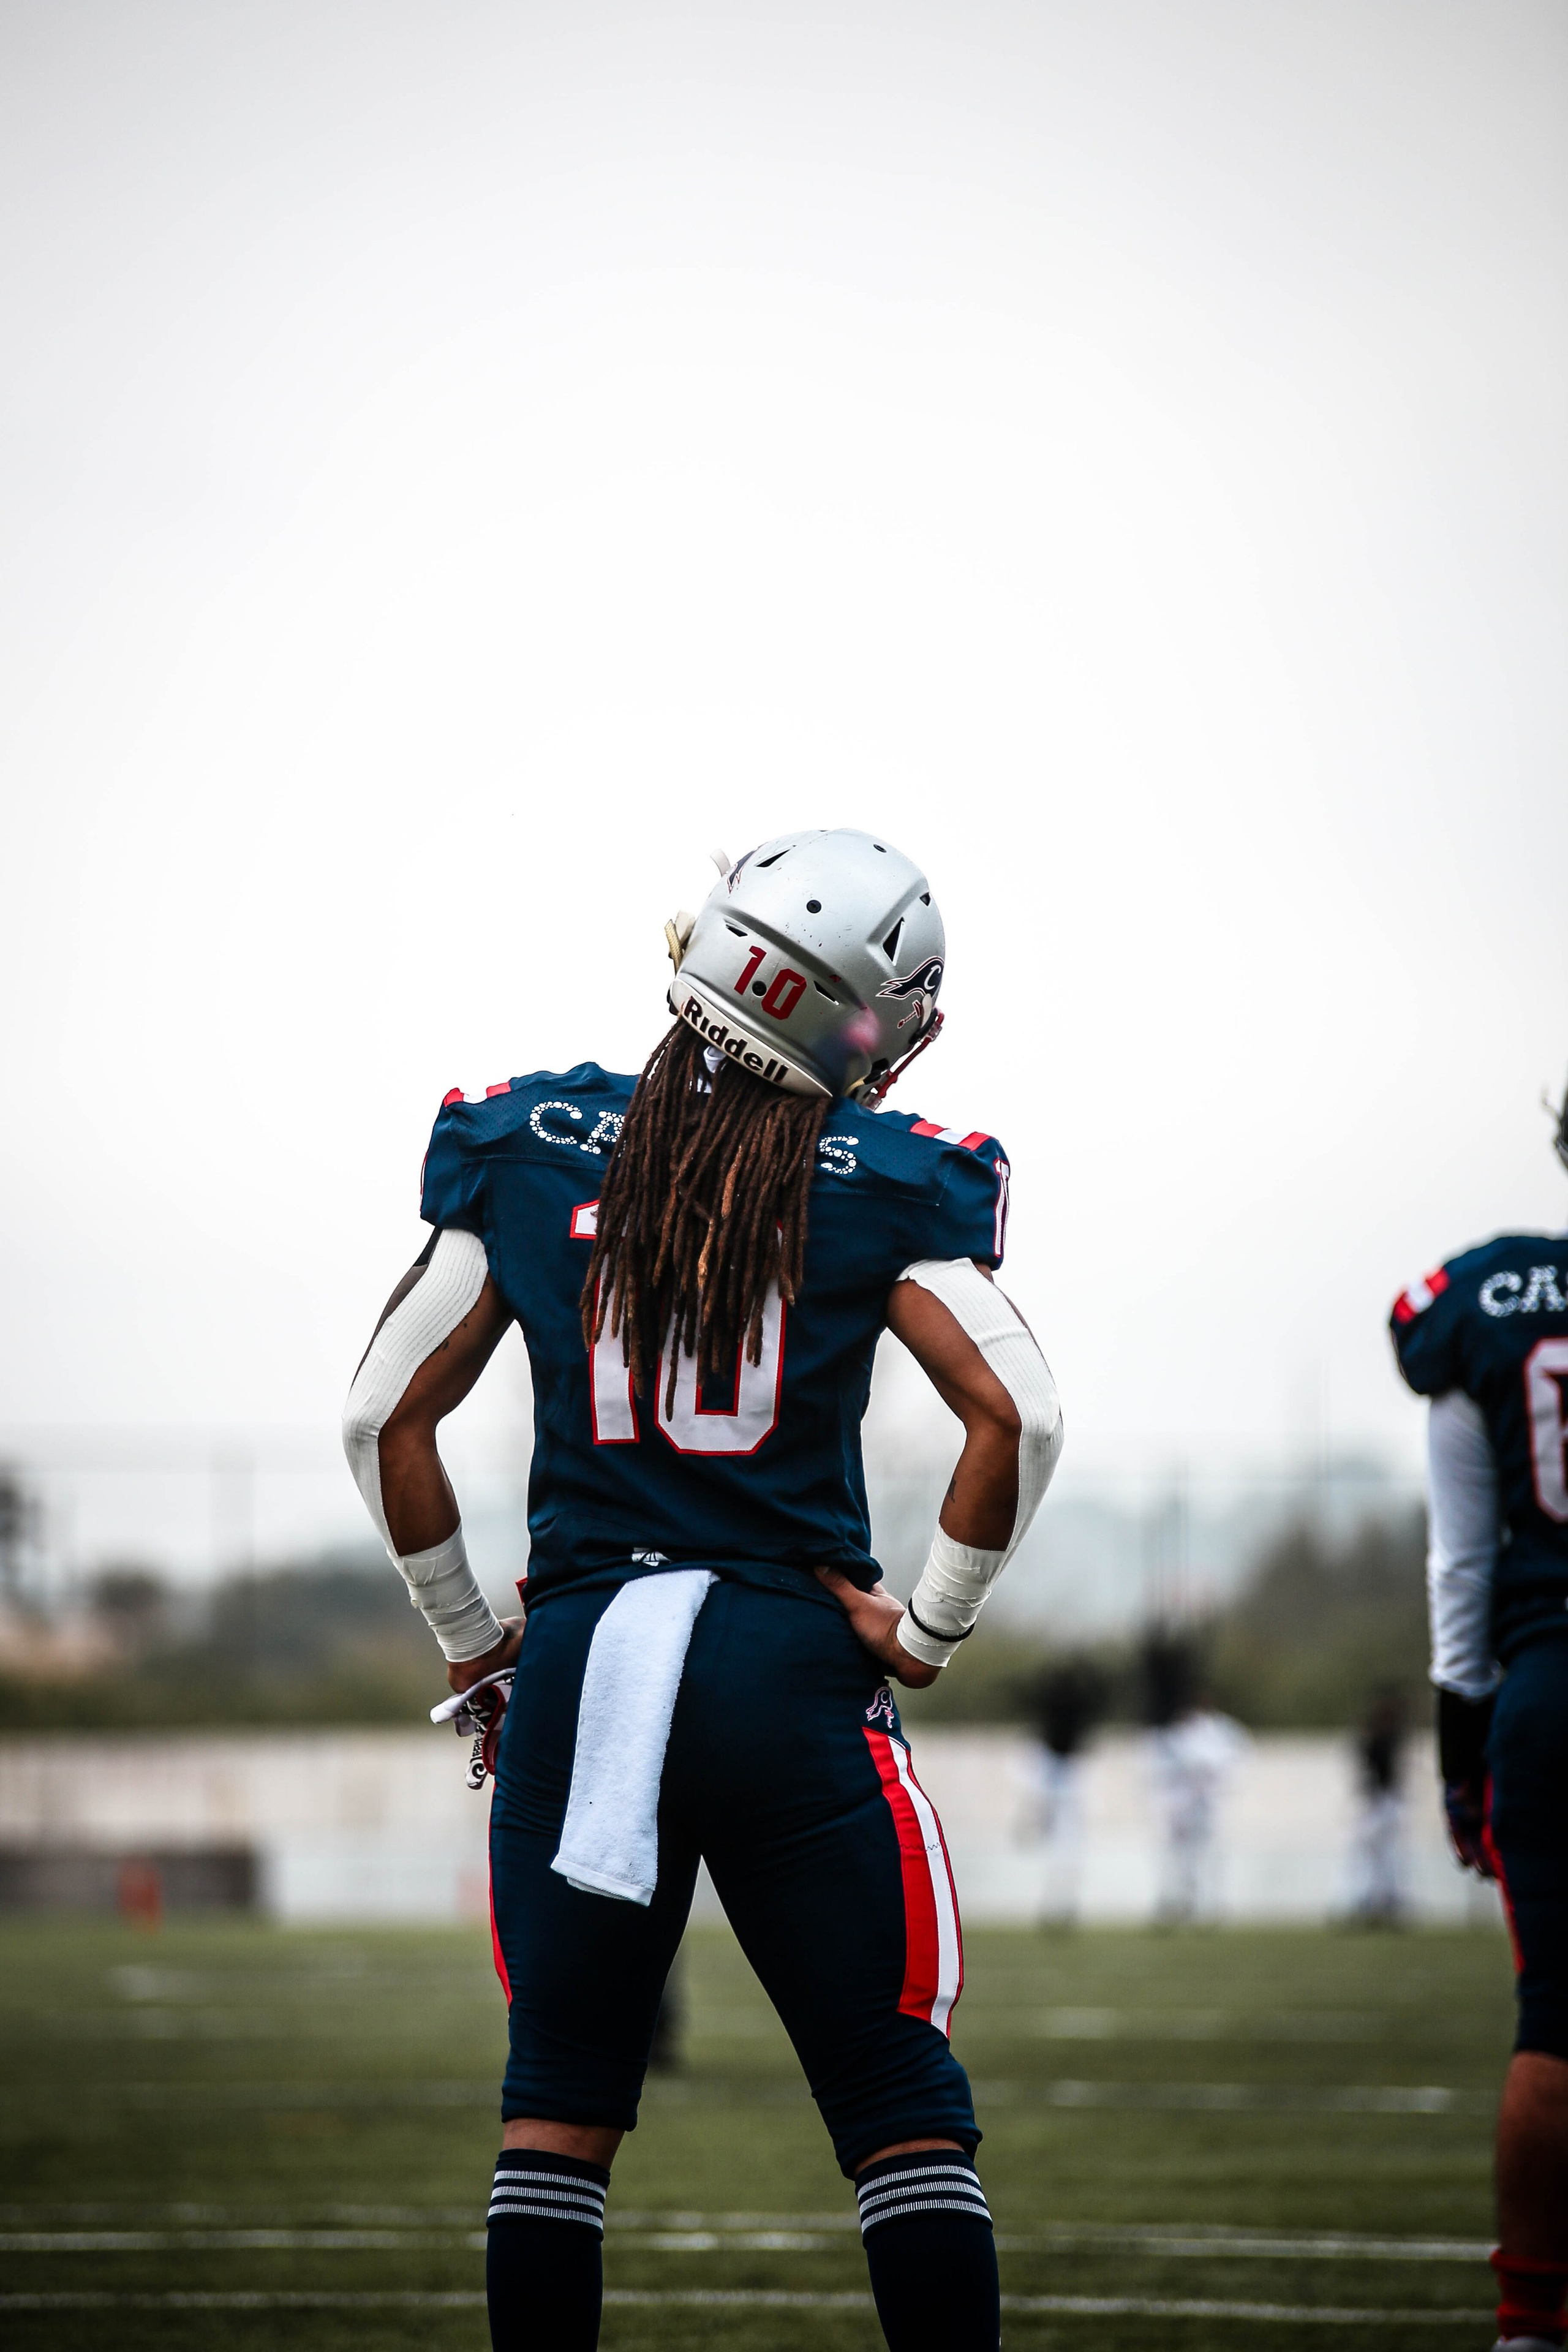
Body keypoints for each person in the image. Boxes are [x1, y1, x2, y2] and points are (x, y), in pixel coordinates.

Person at [342, 829, 1063, 2352]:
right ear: (861, 1020)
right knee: (897, 2110)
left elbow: (377, 1416)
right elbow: (1021, 1413)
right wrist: (926, 1625)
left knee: (555, 2114)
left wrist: (478, 1646)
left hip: (589, 1666)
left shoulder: (525, 1138)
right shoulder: (888, 1175)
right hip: (787, 1667)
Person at [1389, 1077, 1568, 2352]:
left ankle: (1524, 2326)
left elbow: (1459, 1562)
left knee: (1555, 2014)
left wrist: (1459, 1757)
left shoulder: (1489, 1302)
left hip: (1545, 1679)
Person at [1140, 1633, 1247, 1923]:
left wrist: (1213, 1779)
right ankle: (1173, 1902)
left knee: (1208, 1855)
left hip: (1206, 1803)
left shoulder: (1222, 1730)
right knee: (1173, 1856)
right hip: (1177, 1803)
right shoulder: (1170, 1732)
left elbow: (1233, 1763)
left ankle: (1209, 1905)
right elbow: (1153, 1768)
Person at [1026, 1659, 1106, 1925]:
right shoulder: (1051, 1760)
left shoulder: (1049, 1757)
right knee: (1062, 1845)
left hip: (1065, 1774)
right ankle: (1058, 1902)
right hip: (1063, 1773)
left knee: (1064, 1846)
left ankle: (1060, 1902)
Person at [1348, 1687, 1407, 1926]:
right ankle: (1378, 1900)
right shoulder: (1389, 1741)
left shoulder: (1384, 1742)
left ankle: (1383, 1900)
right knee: (1377, 1855)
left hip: (1382, 1802)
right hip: (1381, 1802)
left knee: (1380, 1855)